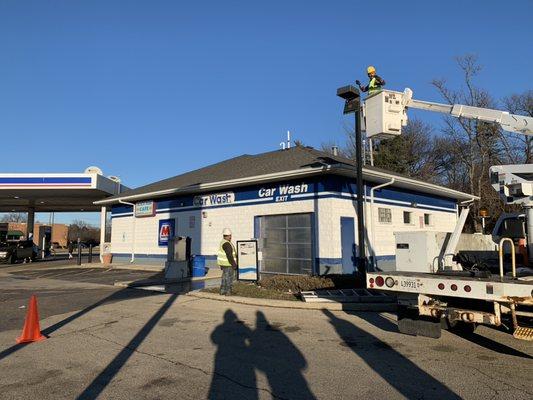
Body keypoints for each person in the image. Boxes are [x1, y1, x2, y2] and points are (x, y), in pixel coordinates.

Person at [217, 228, 237, 295]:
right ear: (228, 236)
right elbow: (229, 255)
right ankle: (228, 291)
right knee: (229, 278)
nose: (231, 237)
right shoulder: (227, 244)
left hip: (223, 264)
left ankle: (222, 291)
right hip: (228, 264)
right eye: (230, 236)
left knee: (224, 277)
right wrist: (234, 264)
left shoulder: (222, 242)